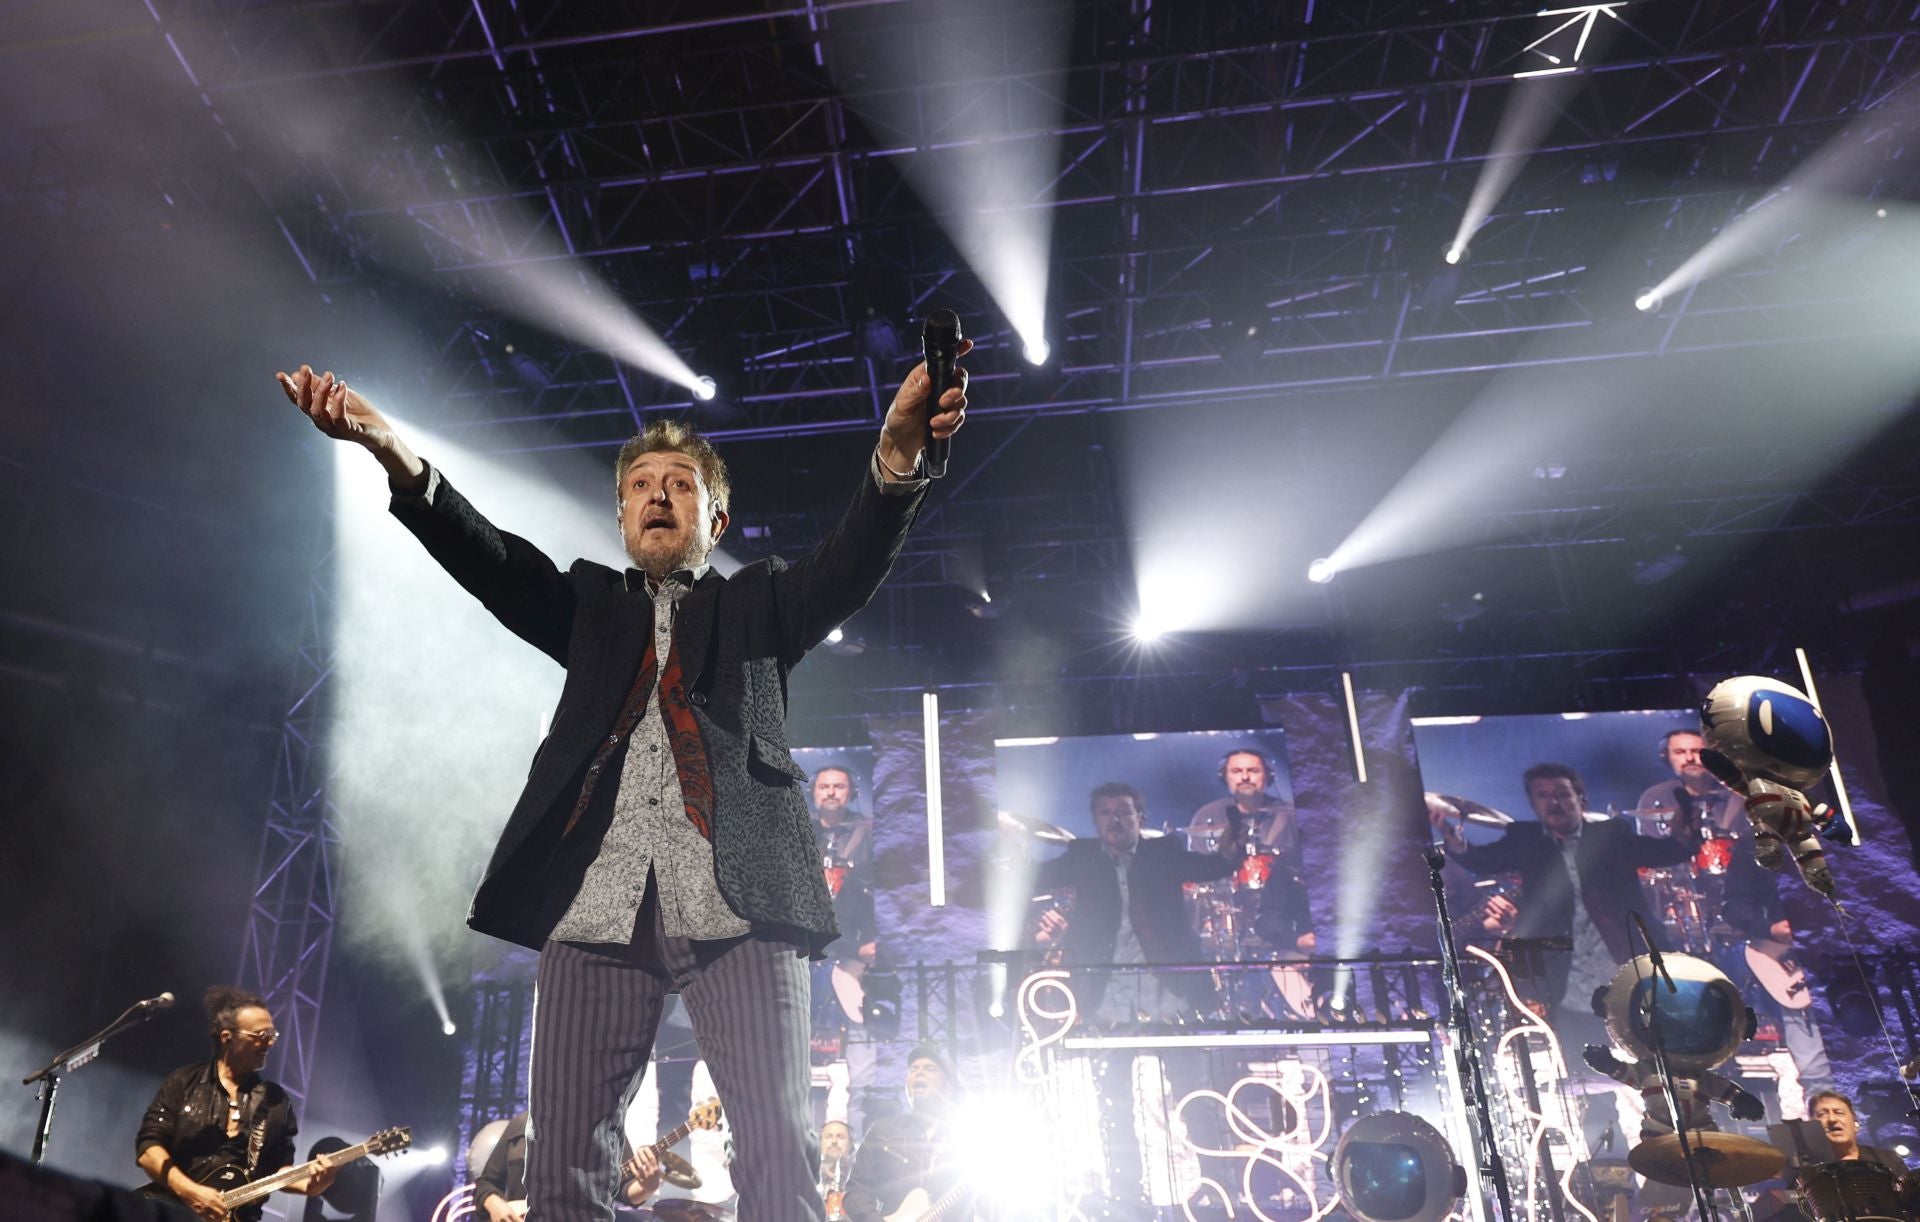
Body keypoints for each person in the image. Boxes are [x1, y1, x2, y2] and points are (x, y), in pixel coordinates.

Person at [275, 344, 969, 1222]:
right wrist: (391, 452)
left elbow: (850, 562)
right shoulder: (589, 606)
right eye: (641, 484)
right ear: (620, 516)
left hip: (741, 906)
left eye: (681, 484)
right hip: (595, 908)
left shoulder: (758, 603)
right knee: (564, 1165)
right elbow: (491, 558)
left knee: (778, 1151)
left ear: (715, 519)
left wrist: (898, 452)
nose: (657, 495)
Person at [1032, 782, 1237, 1023]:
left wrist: (1229, 854)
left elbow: (1210, 867)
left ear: (1140, 818)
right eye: (1105, 812)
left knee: (1182, 1055)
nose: (1114, 819)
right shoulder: (1083, 857)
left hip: (1166, 984)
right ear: (1096, 821)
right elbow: (1036, 877)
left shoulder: (1163, 852)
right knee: (1112, 1058)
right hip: (1106, 987)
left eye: (1124, 811)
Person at [136, 986, 336, 1221]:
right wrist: (190, 1192)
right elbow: (148, 1149)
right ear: (227, 1038)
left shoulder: (275, 1101)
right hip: (170, 1212)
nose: (270, 1043)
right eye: (261, 1036)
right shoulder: (184, 1081)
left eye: (272, 1036)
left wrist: (311, 1185)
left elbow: (278, 1169)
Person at [840, 1046, 972, 1222]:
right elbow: (856, 1192)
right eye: (913, 1069)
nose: (919, 1073)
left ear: (947, 1085)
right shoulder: (883, 1130)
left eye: (929, 1068)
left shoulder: (964, 1135)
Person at [1186, 748, 1299, 872]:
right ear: (1225, 777)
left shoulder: (1291, 814)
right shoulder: (1207, 814)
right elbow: (1197, 867)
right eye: (1236, 771)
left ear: (1268, 776)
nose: (1245, 777)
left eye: (1254, 771)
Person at [1636, 729, 1746, 838]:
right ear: (1667, 757)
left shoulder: (1736, 793)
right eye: (1679, 752)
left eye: (1696, 751)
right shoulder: (1655, 796)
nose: (1689, 758)